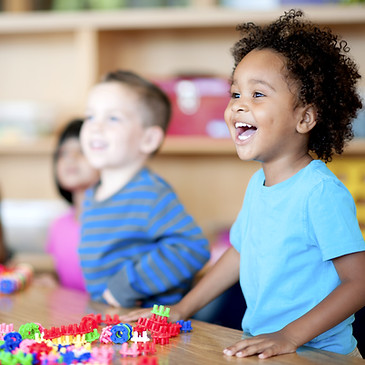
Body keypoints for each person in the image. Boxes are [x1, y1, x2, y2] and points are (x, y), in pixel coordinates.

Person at [120, 10, 365, 359]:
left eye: (258, 95)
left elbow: (359, 283)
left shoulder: (320, 191)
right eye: (235, 94)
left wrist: (289, 336)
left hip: (319, 353)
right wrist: (178, 310)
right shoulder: (258, 184)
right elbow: (238, 253)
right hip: (269, 345)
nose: (238, 107)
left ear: (305, 117)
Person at [79, 70, 210, 308]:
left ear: (148, 139)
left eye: (113, 118)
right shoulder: (91, 195)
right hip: (107, 320)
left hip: (146, 329)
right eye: (90, 117)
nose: (95, 127)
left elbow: (191, 249)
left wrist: (127, 285)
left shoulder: (151, 193)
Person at [46, 119, 100, 290]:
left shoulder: (117, 223)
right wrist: (53, 282)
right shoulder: (58, 225)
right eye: (63, 153)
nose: (70, 159)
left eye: (82, 151)